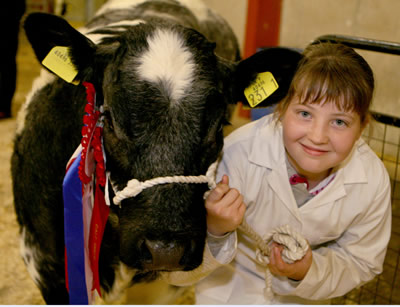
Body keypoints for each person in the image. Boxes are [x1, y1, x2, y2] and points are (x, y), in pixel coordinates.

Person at [161, 42, 392, 304]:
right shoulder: (237, 156)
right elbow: (174, 275)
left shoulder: (372, 181)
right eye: (305, 113)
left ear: (362, 127)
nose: (317, 137)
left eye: (339, 122)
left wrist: (308, 270)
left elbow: (362, 262)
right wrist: (215, 231)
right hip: (230, 292)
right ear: (281, 109)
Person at [0, 0, 26, 119]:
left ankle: (4, 107)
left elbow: (20, 7)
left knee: (7, 63)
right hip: (10, 19)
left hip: (7, 22)